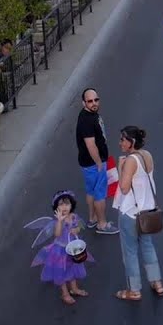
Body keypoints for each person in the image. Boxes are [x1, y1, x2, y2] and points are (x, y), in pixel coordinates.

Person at [113, 126, 163, 301]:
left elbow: (124, 188)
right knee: (148, 247)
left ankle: (134, 290)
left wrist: (121, 167)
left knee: (130, 253)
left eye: (122, 139)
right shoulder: (147, 155)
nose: (120, 142)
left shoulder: (130, 161)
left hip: (131, 213)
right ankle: (157, 282)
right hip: (147, 212)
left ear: (131, 142)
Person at [24, 191, 95, 305]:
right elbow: (57, 234)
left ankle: (74, 288)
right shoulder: (57, 221)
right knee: (61, 272)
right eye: (60, 205)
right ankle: (65, 293)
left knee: (72, 268)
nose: (64, 207)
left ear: (71, 205)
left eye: (67, 204)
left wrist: (76, 230)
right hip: (60, 251)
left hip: (72, 249)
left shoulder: (74, 217)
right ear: (56, 208)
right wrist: (60, 222)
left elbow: (80, 226)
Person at [75, 89, 117, 235]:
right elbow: (91, 145)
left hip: (87, 163)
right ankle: (102, 224)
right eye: (90, 101)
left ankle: (92, 218)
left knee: (91, 190)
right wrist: (99, 163)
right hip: (94, 163)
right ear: (83, 102)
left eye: (96, 100)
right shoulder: (87, 120)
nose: (94, 103)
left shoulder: (87, 115)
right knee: (100, 194)